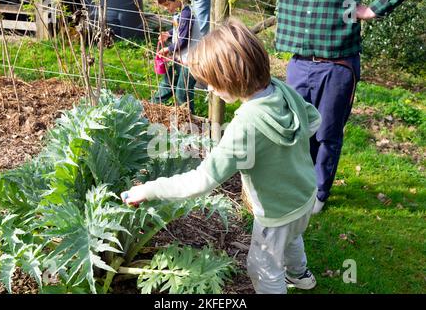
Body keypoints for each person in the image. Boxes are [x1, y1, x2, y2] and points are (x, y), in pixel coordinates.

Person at [122, 19, 323, 294]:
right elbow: (314, 121)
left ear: (232, 78)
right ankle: (301, 276)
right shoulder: (282, 90)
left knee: (263, 268)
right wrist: (284, 153)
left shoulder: (245, 126)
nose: (210, 90)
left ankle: (287, 279)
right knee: (292, 238)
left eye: (213, 83)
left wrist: (149, 189)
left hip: (276, 212)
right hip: (305, 194)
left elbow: (202, 180)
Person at [275, 0, 413, 213]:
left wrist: (374, 9)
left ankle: (318, 193)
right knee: (295, 129)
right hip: (299, 60)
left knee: (327, 133)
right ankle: (296, 186)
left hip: (337, 61)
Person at [151, 0, 202, 113]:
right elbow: (181, 29)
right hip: (180, 57)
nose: (167, 8)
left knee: (182, 93)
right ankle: (150, 106)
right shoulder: (180, 12)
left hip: (190, 60)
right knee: (167, 83)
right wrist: (169, 34)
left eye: (168, 4)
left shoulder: (187, 13)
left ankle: (188, 119)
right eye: (164, 6)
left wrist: (168, 49)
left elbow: (183, 40)